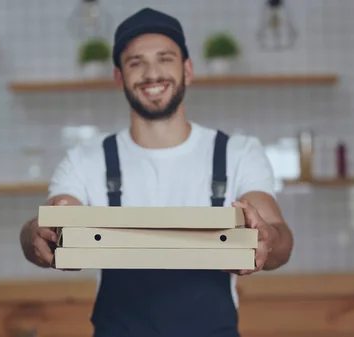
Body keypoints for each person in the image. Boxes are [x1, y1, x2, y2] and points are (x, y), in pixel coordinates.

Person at [19, 7, 294, 337]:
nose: (152, 73)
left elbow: (279, 237)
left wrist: (266, 239)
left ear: (187, 69)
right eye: (136, 62)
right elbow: (53, 221)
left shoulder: (238, 153)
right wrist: (36, 232)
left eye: (165, 58)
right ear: (119, 77)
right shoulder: (85, 160)